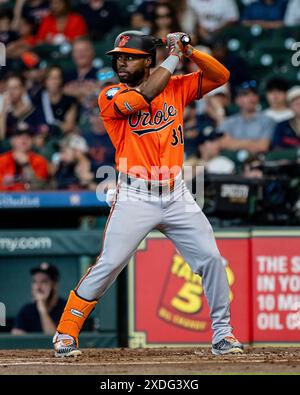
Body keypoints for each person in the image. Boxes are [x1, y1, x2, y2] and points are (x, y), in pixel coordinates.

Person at [53, 30, 243, 357]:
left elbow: (221, 76)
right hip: (135, 196)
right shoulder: (110, 94)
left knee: (211, 259)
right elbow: (143, 99)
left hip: (176, 193)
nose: (121, 63)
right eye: (117, 58)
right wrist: (174, 58)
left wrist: (190, 51)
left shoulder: (177, 86)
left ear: (148, 60)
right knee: (109, 264)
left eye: (129, 57)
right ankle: (65, 333)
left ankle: (222, 334)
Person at [218, 81, 276, 154]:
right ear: (237, 100)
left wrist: (233, 142)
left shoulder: (268, 120)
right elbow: (222, 144)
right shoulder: (229, 121)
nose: (251, 98)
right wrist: (253, 143)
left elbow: (263, 146)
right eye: (245, 94)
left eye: (254, 94)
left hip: (258, 161)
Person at [11, 263, 66, 335]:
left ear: (55, 285)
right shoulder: (27, 310)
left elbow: (57, 341)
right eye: (35, 282)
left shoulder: (67, 308)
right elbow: (16, 338)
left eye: (44, 282)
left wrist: (42, 309)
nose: (38, 287)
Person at [0, 123, 49, 191]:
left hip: (31, 200)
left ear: (32, 140)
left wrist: (26, 165)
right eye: (19, 135)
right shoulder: (1, 160)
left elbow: (38, 188)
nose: (24, 138)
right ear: (12, 140)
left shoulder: (40, 161)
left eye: (28, 136)